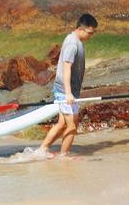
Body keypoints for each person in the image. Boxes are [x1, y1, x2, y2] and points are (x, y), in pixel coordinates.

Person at [38, 13, 98, 157]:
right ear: (80, 29)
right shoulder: (72, 44)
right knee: (72, 125)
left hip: (66, 89)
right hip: (65, 91)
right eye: (90, 32)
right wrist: (68, 93)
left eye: (93, 33)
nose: (91, 36)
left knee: (61, 123)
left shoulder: (76, 40)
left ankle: (42, 150)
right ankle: (64, 156)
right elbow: (66, 69)